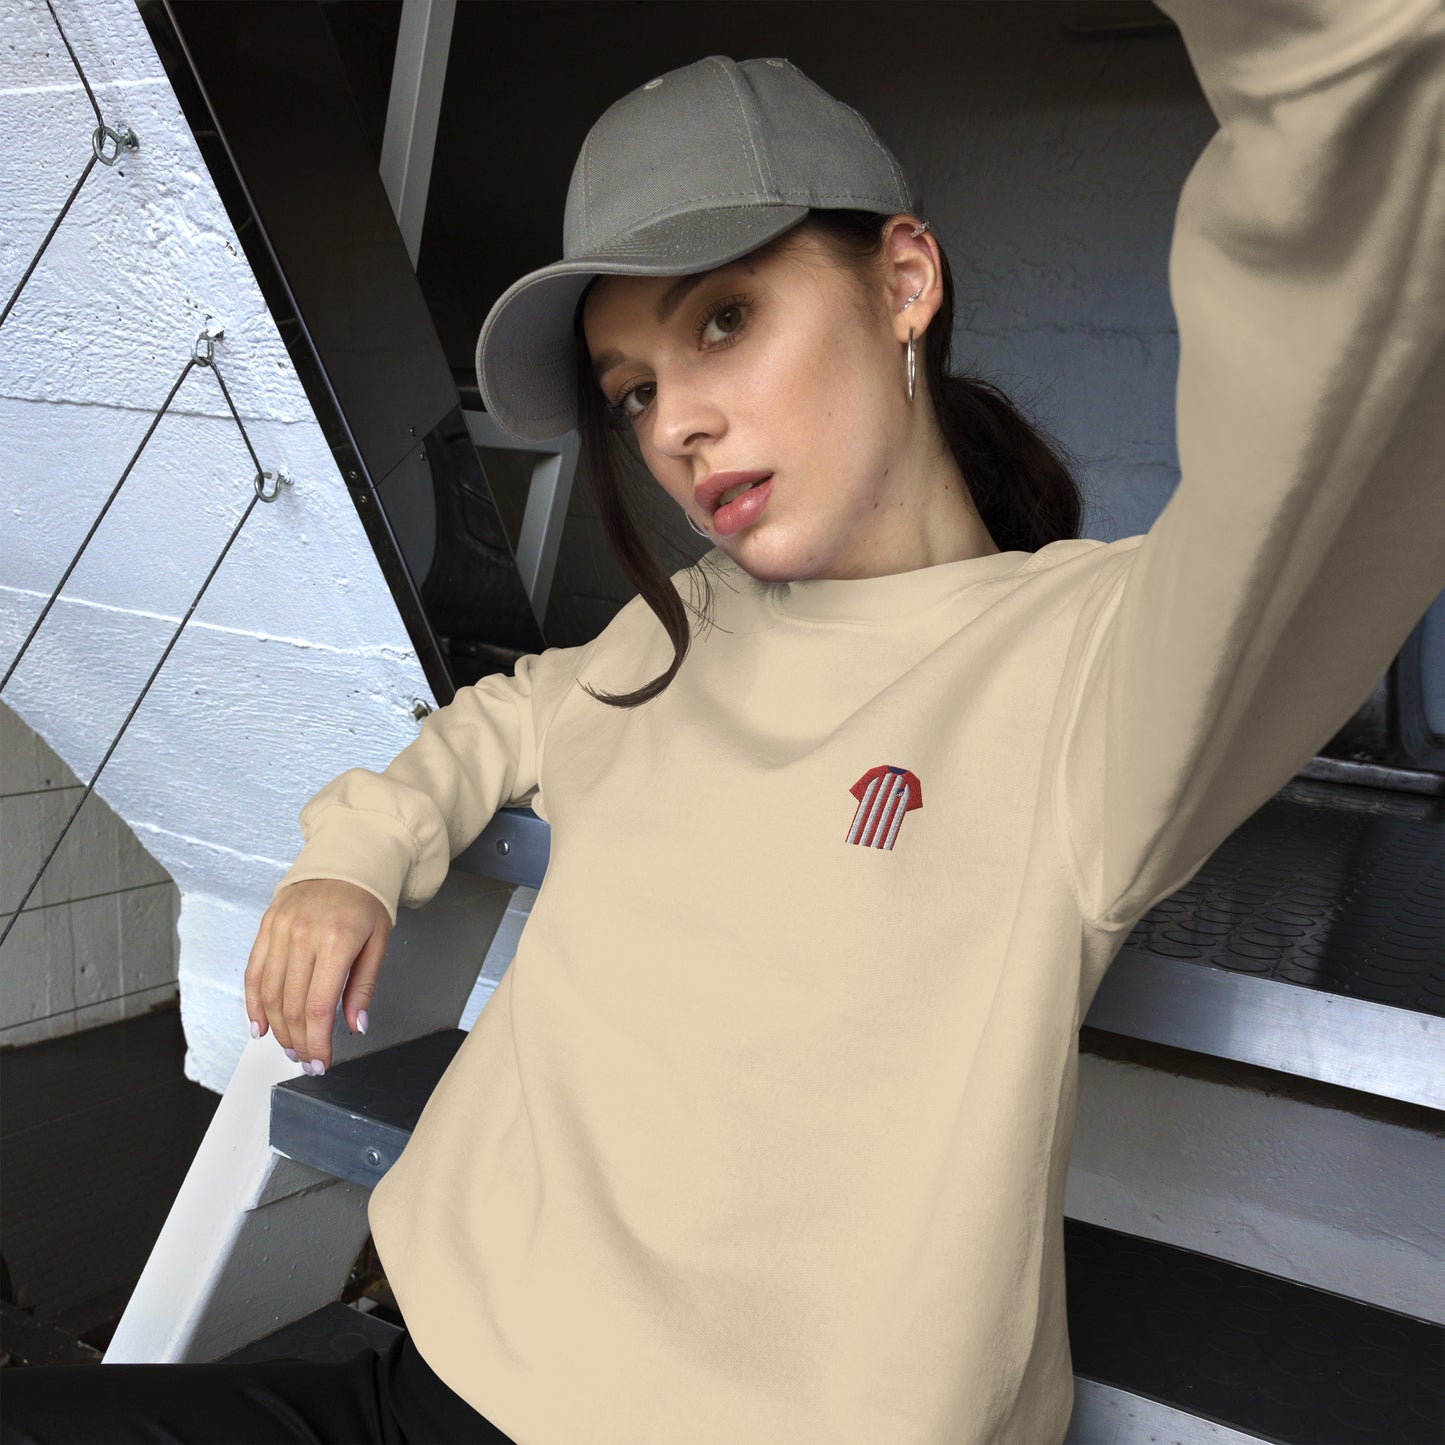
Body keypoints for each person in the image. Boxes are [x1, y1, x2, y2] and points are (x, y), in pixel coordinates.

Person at [7, 0, 1443, 1440]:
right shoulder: (678, 625)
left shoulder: (1091, 669)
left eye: (725, 319)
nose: (674, 425)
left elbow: (1354, 320)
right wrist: (352, 855)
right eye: (633, 388)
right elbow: (503, 716)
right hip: (435, 1375)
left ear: (903, 281)